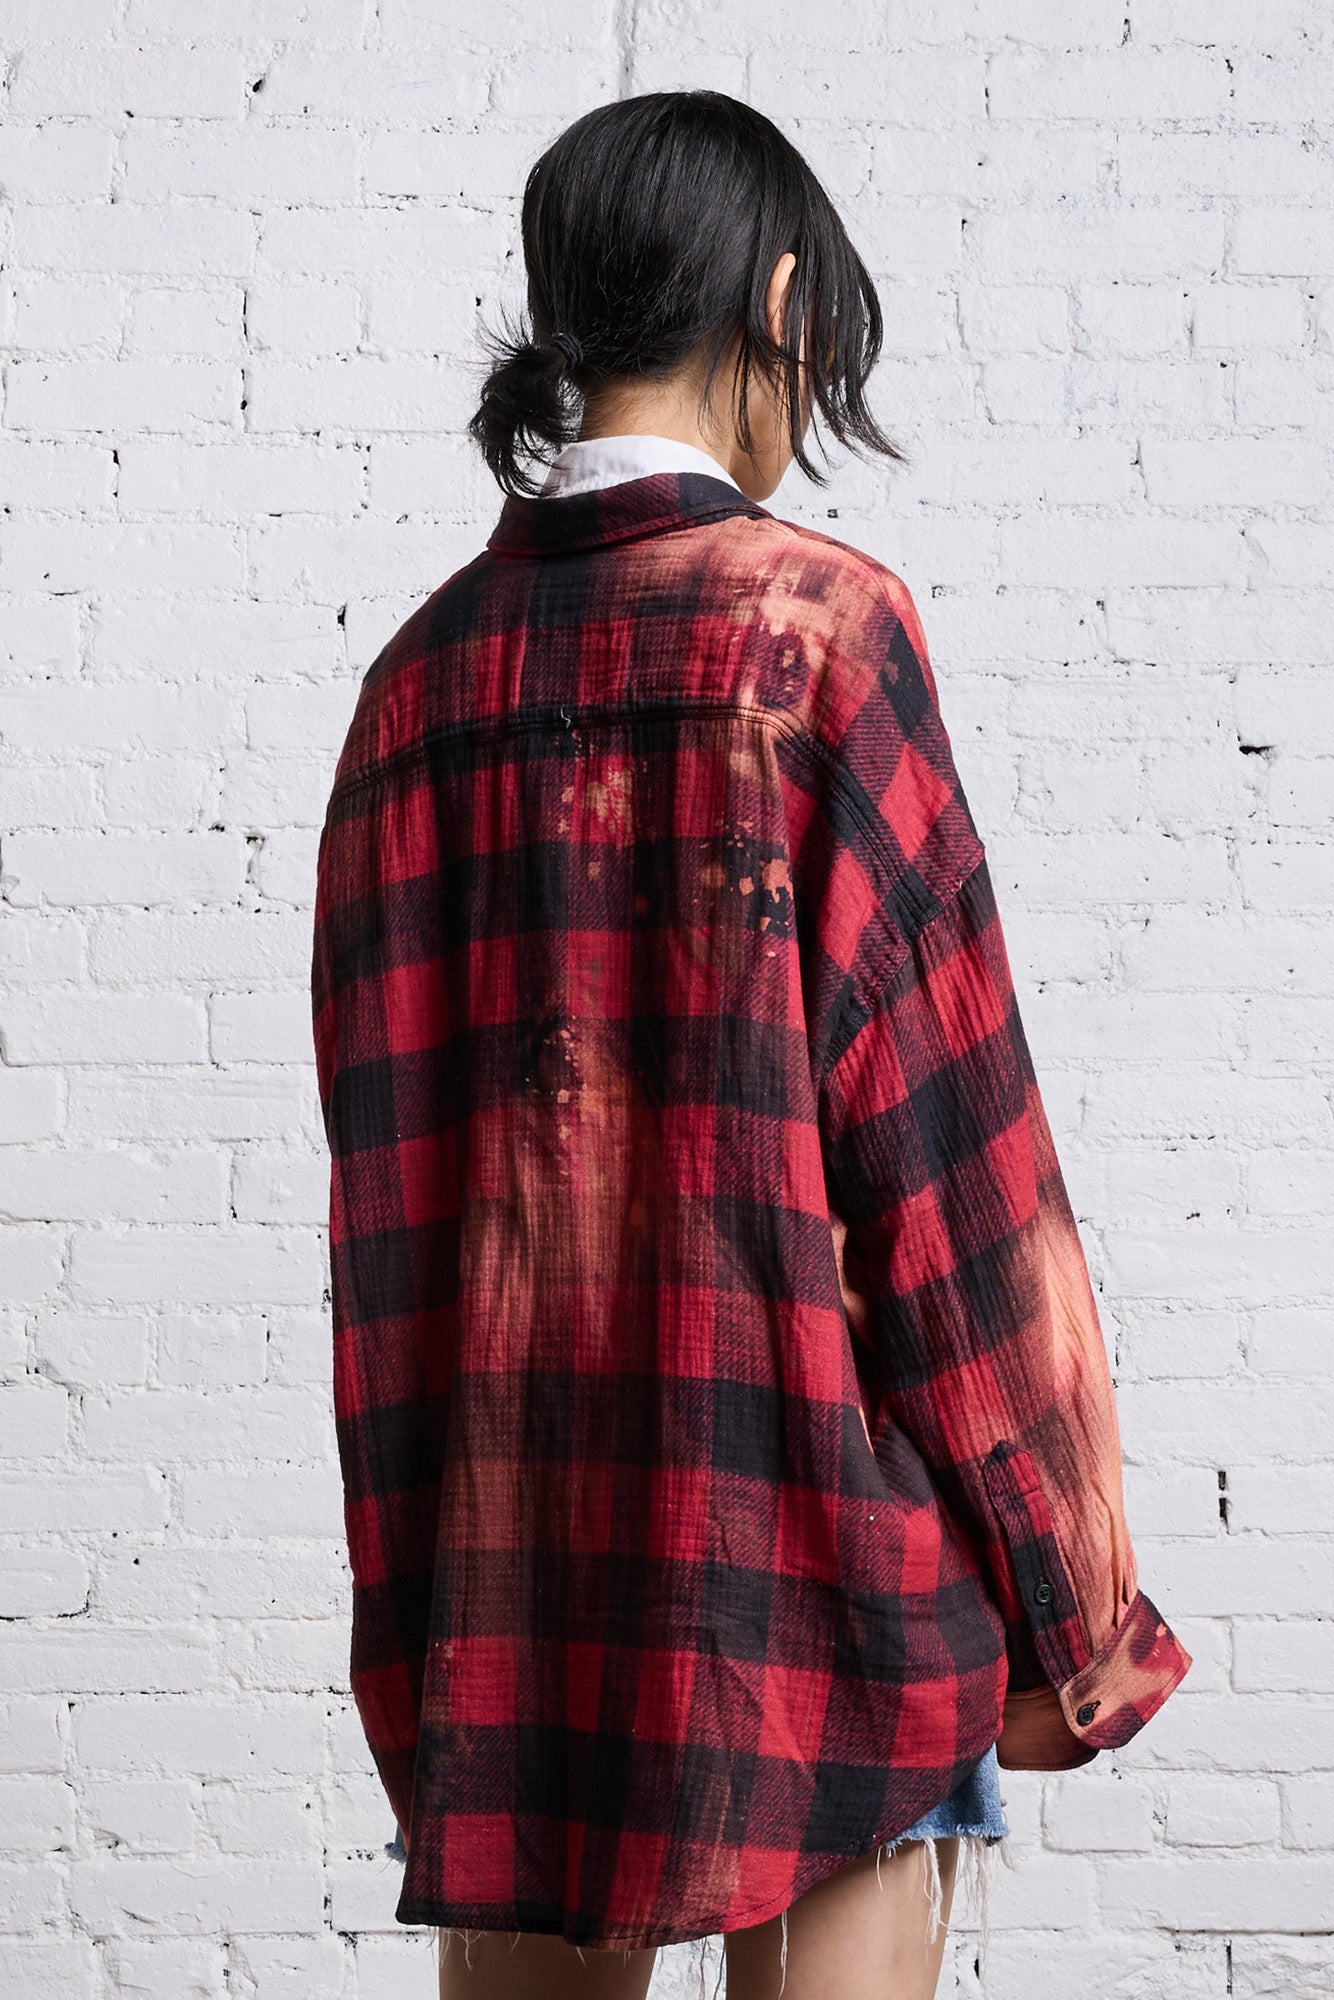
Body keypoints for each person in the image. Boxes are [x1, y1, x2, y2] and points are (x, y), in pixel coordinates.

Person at [311, 91, 1192, 2000]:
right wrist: (1078, 1618)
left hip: (518, 1593)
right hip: (819, 1571)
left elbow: (385, 1247)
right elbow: (954, 1178)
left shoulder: (413, 687)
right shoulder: (816, 635)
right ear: (782, 300)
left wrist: (425, 1638)